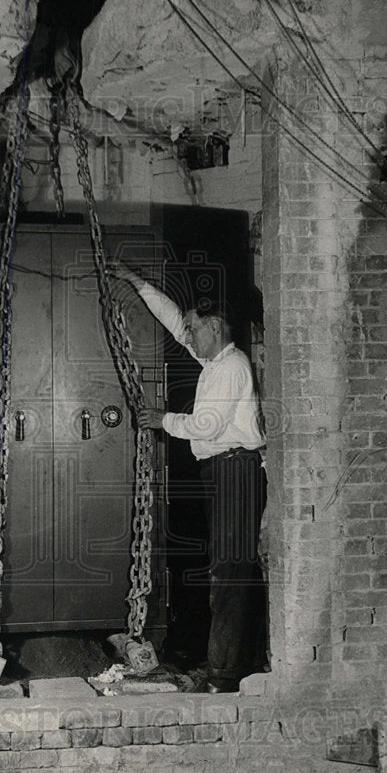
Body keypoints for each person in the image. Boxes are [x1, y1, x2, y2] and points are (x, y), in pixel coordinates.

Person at [111, 264, 267, 692]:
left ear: (214, 327)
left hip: (236, 470)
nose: (189, 336)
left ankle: (224, 675)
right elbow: (176, 325)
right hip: (224, 471)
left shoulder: (231, 367)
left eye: (196, 329)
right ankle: (235, 664)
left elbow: (207, 426)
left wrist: (163, 419)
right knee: (228, 570)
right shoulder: (216, 360)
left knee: (229, 573)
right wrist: (138, 284)